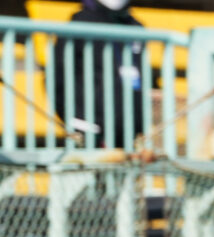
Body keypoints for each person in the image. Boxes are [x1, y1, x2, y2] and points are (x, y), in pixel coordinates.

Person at [51, 0, 150, 150]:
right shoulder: (81, 22)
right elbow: (57, 77)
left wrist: (138, 125)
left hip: (126, 136)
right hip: (88, 134)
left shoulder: (136, 27)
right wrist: (78, 121)